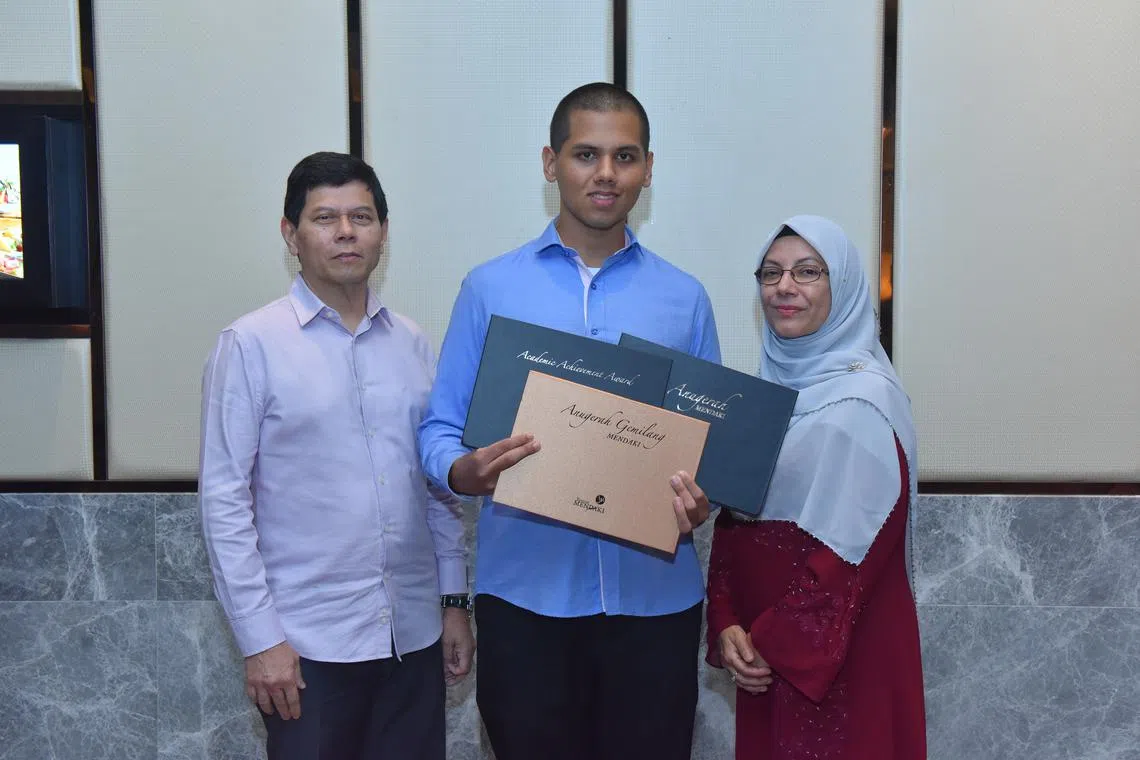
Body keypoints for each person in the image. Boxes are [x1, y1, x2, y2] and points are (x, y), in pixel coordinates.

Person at [418, 83, 717, 760]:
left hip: (655, 604)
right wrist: (463, 471)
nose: (605, 173)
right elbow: (439, 430)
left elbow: (710, 445)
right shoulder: (490, 288)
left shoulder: (685, 298)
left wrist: (704, 497)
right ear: (551, 163)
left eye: (624, 156)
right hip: (526, 602)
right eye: (586, 154)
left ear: (648, 169)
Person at [198, 151, 473, 760]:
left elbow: (436, 487)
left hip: (412, 637)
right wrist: (260, 640)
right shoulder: (249, 345)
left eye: (362, 217)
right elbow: (223, 502)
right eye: (325, 218)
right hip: (305, 648)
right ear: (290, 233)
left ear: (383, 231)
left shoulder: (412, 343)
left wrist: (453, 603)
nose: (346, 232)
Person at [706, 215, 926, 758]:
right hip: (762, 651)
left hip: (846, 655)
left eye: (807, 272)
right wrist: (728, 622)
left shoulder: (868, 400)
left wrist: (775, 640)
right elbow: (733, 521)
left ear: (842, 287)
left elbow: (856, 550)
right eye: (771, 273)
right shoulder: (761, 400)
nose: (784, 287)